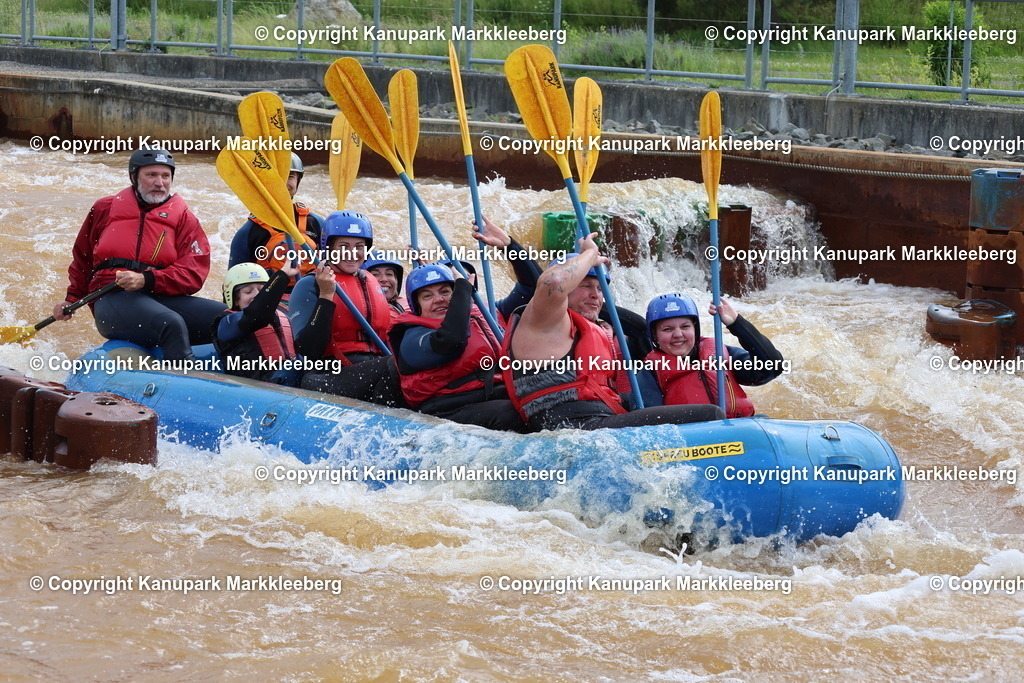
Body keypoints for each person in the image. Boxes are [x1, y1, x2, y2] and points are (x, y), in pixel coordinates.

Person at [501, 234, 724, 431]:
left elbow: (638, 328)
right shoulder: (543, 319)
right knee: (710, 415)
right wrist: (589, 254)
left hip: (591, 421)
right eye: (586, 286)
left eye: (600, 289)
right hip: (572, 427)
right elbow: (555, 281)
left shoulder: (585, 325)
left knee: (643, 400)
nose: (595, 295)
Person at [50, 148, 225, 360]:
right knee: (170, 322)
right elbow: (83, 258)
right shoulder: (104, 208)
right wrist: (72, 298)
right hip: (111, 297)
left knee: (228, 319)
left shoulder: (184, 219)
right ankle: (185, 383)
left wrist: (146, 279)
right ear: (134, 177)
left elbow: (194, 273)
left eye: (165, 176)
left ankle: (255, 376)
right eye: (151, 175)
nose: (159, 183)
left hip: (161, 296)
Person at [389, 263, 526, 431]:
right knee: (511, 415)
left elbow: (530, 289)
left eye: (445, 292)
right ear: (416, 305)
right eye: (427, 296)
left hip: (491, 395)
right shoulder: (411, 337)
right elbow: (452, 341)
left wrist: (509, 246)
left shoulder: (482, 315)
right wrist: (462, 288)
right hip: (445, 411)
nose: (439, 299)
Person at [287, 210, 396, 402]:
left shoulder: (370, 281)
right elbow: (309, 349)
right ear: (328, 248)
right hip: (326, 377)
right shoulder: (309, 284)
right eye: (343, 246)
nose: (352, 253)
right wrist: (326, 295)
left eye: (359, 246)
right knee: (393, 366)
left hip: (373, 369)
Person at [643, 293, 785, 417]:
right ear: (655, 335)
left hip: (739, 431)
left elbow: (773, 367)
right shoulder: (650, 371)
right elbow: (652, 425)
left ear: (695, 329)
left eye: (685, 326)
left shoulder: (721, 353)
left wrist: (737, 323)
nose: (678, 335)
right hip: (695, 441)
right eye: (667, 329)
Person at [228, 152, 323, 291]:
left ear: (298, 181)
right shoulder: (249, 232)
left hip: (310, 294)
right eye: (276, 177)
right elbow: (233, 288)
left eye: (289, 176)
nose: (282, 183)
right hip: (269, 301)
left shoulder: (315, 223)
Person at [213, 262, 302, 385]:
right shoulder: (226, 323)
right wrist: (283, 275)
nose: (256, 295)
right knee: (293, 369)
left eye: (262, 290)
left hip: (291, 377)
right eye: (248, 291)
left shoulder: (284, 311)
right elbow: (256, 316)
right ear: (234, 299)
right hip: (256, 387)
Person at [362, 251, 408, 319]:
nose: (384, 279)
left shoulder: (410, 306)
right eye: (375, 274)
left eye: (389, 274)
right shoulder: (358, 311)